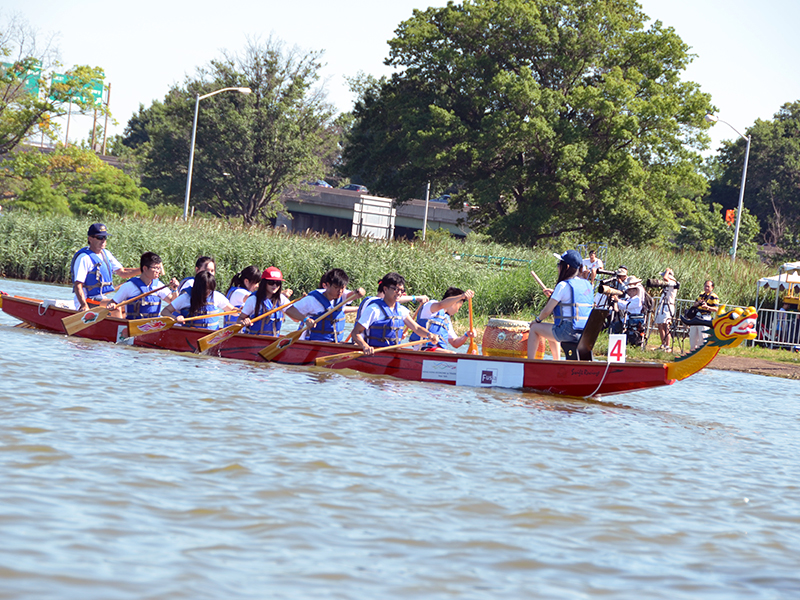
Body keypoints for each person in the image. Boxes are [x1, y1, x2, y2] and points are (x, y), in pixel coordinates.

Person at [527, 250, 594, 360]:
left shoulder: (563, 285)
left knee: (535, 328)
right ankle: (556, 361)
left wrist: (537, 320)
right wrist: (554, 294)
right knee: (552, 328)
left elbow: (547, 311)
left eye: (559, 264)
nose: (558, 267)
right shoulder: (587, 284)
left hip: (568, 331)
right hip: (585, 332)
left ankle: (530, 362)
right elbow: (572, 299)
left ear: (566, 267)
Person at [351, 272, 439, 354]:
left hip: (394, 353)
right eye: (396, 289)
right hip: (375, 353)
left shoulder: (401, 310)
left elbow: (416, 328)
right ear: (385, 289)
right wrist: (365, 346)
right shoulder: (373, 310)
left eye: (402, 290)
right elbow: (355, 333)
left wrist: (429, 335)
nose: (399, 293)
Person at [71, 223, 141, 311]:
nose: (103, 240)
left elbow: (123, 273)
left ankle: (124, 324)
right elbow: (78, 285)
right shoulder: (84, 258)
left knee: (127, 306)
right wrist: (84, 305)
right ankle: (118, 324)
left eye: (105, 237)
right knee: (116, 307)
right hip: (87, 299)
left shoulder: (106, 254)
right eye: (99, 237)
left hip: (100, 298)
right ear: (90, 239)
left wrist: (145, 269)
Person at [284, 268, 365, 343]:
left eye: (342, 288)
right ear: (327, 285)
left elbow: (356, 294)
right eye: (336, 287)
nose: (340, 291)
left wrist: (360, 292)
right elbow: (289, 310)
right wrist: (305, 319)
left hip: (335, 343)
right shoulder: (312, 300)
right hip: (312, 342)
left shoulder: (343, 296)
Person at [105, 252, 180, 319]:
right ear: (145, 268)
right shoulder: (129, 286)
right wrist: (111, 305)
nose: (158, 271)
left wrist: (174, 290)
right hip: (134, 326)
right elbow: (112, 302)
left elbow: (173, 302)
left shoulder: (158, 285)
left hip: (153, 326)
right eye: (155, 268)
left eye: (159, 268)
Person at [160, 270, 238, 330]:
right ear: (198, 287)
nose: (208, 292)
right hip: (191, 334)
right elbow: (164, 311)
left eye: (210, 289)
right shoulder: (186, 298)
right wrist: (175, 318)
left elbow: (233, 311)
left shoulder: (216, 296)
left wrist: (240, 311)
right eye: (205, 289)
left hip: (212, 336)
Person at [408, 287, 476, 352]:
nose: (457, 311)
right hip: (423, 349)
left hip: (438, 351)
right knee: (451, 354)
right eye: (459, 307)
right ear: (454, 302)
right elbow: (441, 305)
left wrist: (467, 335)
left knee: (451, 353)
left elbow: (455, 343)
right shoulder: (431, 306)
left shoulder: (446, 319)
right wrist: (461, 296)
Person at [237, 266, 291, 336]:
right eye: (271, 282)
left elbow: (295, 318)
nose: (275, 285)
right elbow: (239, 319)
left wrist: (305, 319)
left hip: (273, 342)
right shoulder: (253, 299)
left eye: (278, 283)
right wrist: (243, 322)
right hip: (254, 340)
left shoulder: (282, 299)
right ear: (264, 283)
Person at [653, 268, 679, 351]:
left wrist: (667, 271)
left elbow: (665, 278)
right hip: (662, 305)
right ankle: (663, 344)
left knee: (666, 326)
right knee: (660, 325)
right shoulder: (667, 283)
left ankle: (668, 346)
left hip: (668, 306)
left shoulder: (672, 283)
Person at [689, 280, 719, 351]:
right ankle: (692, 350)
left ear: (712, 287)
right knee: (693, 335)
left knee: (703, 336)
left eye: (708, 286)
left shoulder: (714, 296)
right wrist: (698, 303)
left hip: (705, 317)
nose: (706, 288)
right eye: (705, 286)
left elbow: (716, 309)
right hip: (697, 316)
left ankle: (701, 351)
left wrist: (707, 307)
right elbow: (694, 304)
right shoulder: (701, 294)